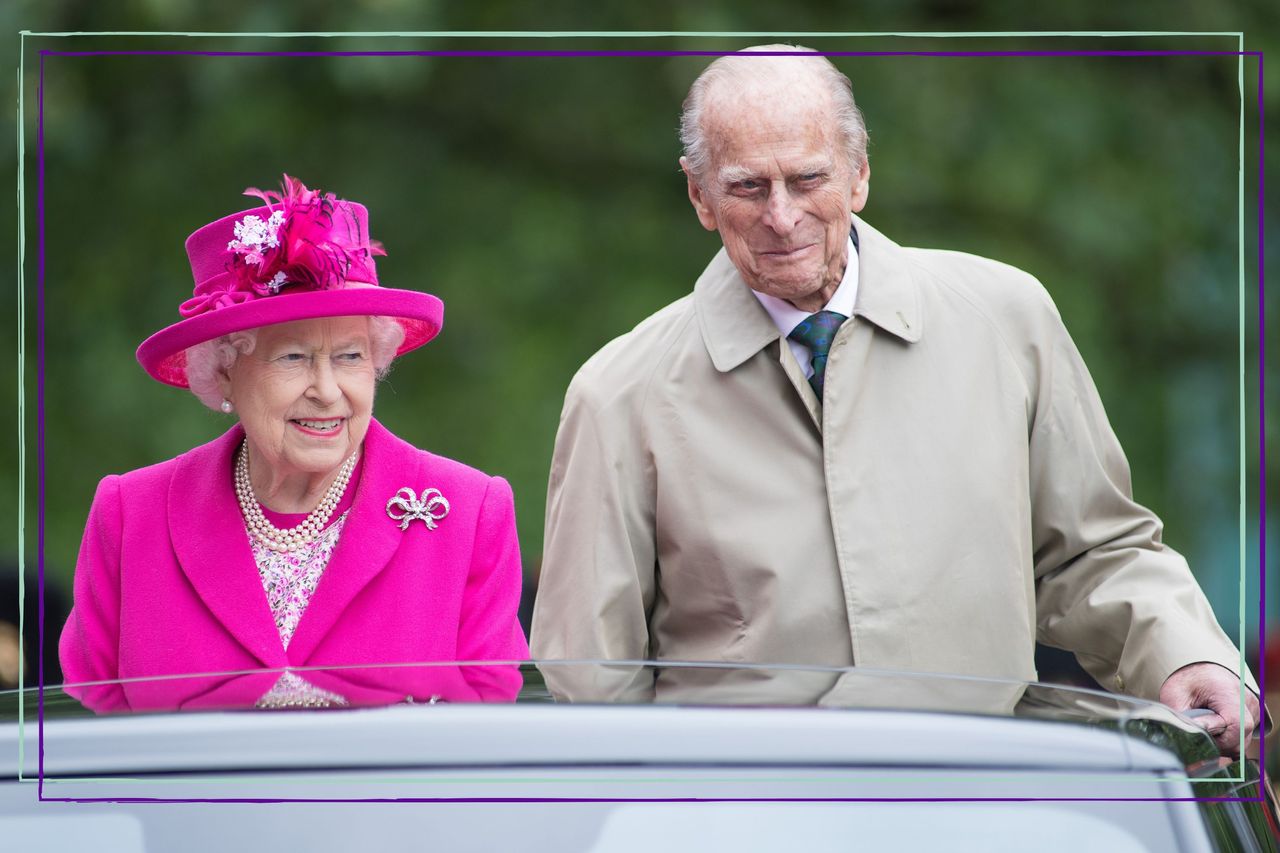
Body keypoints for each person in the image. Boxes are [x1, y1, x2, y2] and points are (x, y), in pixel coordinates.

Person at [530, 47, 1263, 752]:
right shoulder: (618, 394)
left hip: (979, 804)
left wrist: (1181, 652)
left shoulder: (1007, 320)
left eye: (808, 178)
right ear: (700, 195)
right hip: (744, 818)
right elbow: (591, 686)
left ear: (860, 176)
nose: (781, 217)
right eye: (749, 186)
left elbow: (1094, 550)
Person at [59, 175, 528, 712]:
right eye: (293, 358)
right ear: (224, 373)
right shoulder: (130, 515)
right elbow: (83, 736)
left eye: (350, 357)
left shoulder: (467, 512)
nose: (327, 392)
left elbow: (489, 752)